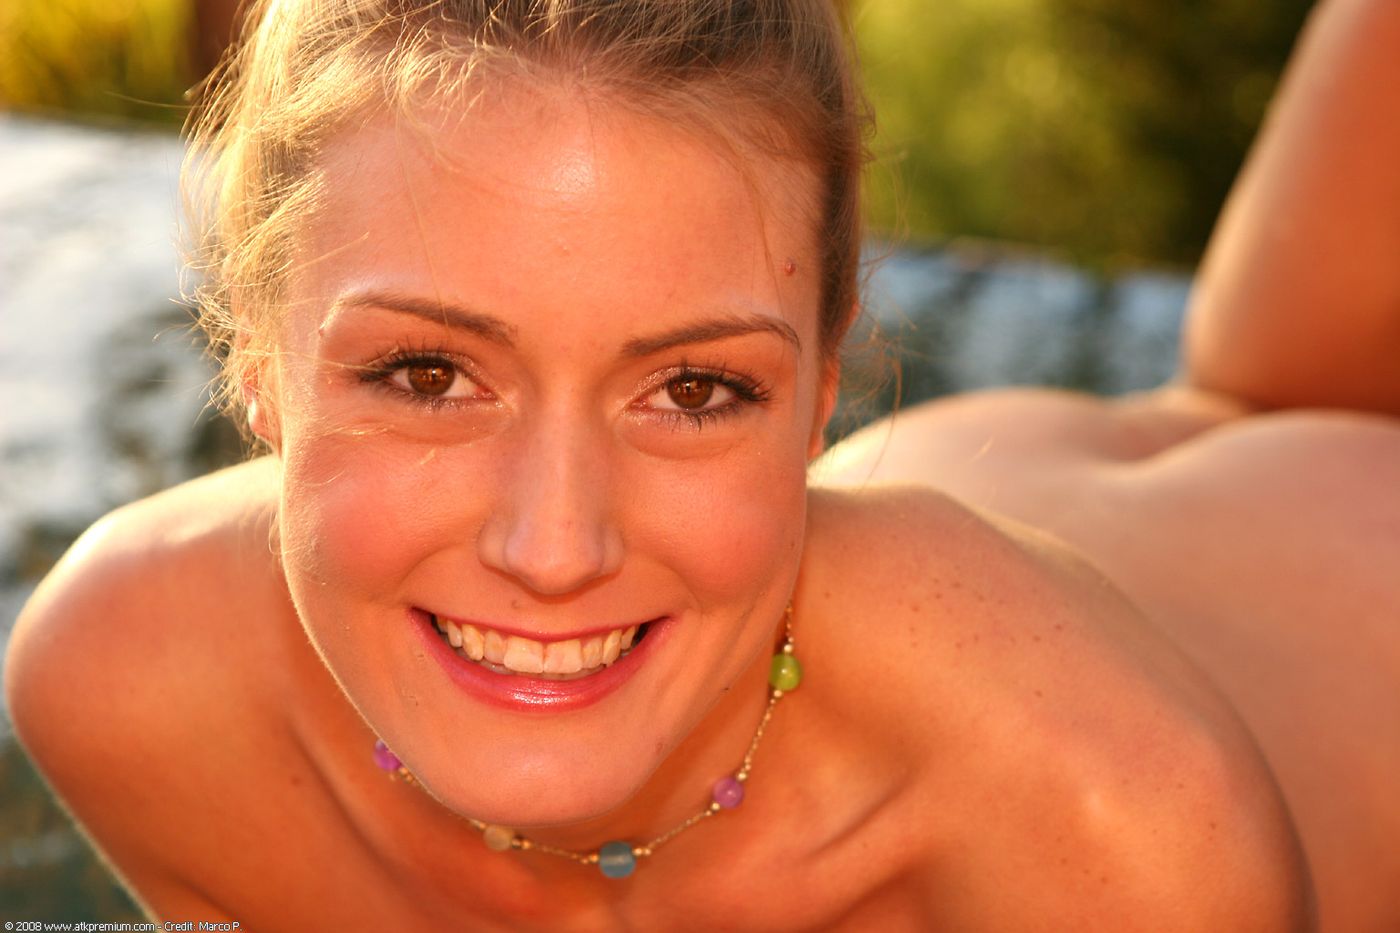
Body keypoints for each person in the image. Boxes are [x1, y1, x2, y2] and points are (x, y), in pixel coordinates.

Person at [2, 0, 1392, 929]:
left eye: (693, 389)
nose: (555, 546)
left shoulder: (1107, 832)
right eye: (427, 375)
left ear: (826, 384)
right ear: (252, 353)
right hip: (1220, 400)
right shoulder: (137, 696)